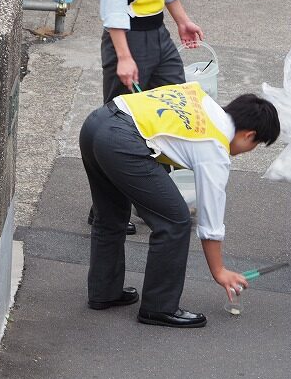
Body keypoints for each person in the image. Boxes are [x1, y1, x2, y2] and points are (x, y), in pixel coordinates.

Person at [80, 82, 280, 327]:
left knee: (110, 214)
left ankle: (104, 292)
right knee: (174, 220)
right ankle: (159, 307)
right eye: (256, 145)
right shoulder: (214, 146)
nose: (250, 150)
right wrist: (219, 271)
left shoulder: (201, 98)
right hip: (122, 140)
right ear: (249, 135)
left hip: (97, 122)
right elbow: (211, 219)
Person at [91, 0, 203, 234]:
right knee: (121, 128)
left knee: (173, 111)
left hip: (157, 32)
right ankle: (107, 210)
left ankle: (154, 201)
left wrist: (182, 21)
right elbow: (113, 7)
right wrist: (124, 56)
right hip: (128, 38)